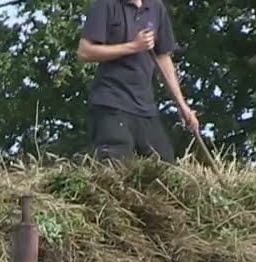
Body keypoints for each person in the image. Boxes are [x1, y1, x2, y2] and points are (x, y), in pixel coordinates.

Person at [76, 0, 199, 162]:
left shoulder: (156, 7)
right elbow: (85, 52)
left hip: (145, 107)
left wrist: (182, 105)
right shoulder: (105, 5)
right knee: (115, 165)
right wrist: (133, 46)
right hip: (111, 103)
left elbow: (163, 58)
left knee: (166, 168)